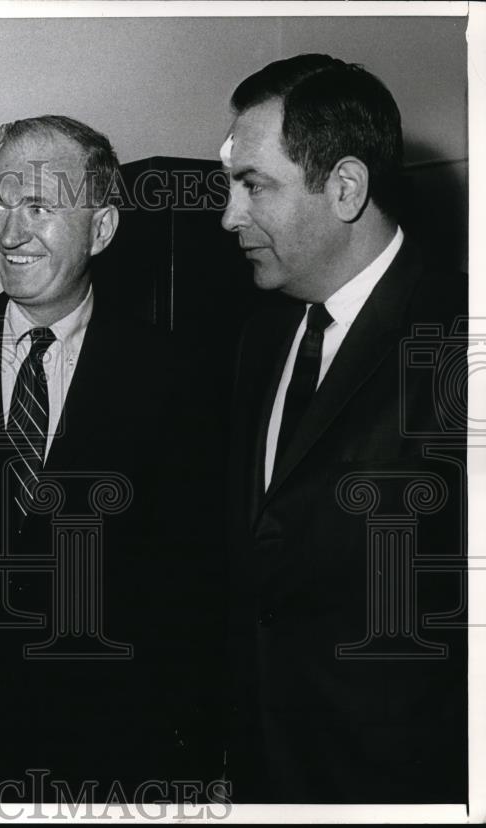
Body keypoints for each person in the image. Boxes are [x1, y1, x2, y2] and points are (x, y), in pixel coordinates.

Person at [0, 116, 225, 800]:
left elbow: (195, 581)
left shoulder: (173, 374)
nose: (9, 234)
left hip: (117, 751)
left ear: (100, 229)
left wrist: (201, 750)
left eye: (38, 207)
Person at [221, 54, 467, 803]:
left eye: (253, 185)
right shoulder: (259, 341)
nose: (229, 216)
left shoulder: (463, 338)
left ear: (346, 188)